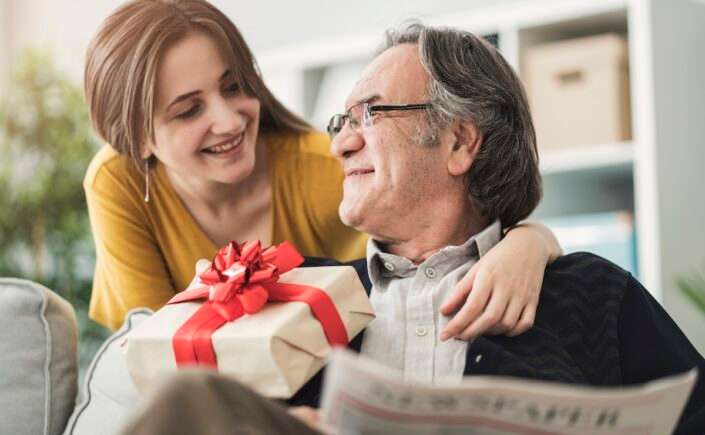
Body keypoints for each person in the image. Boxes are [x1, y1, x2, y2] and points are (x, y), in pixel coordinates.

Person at [119, 23, 705, 435]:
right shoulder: (297, 292)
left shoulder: (591, 295)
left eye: (369, 114)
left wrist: (531, 239)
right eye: (340, 122)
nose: (342, 143)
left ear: (459, 142)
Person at [83, 0, 562, 341]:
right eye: (188, 110)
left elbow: (445, 230)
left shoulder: (325, 166)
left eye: (234, 87)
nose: (228, 121)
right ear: (138, 138)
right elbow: (147, 346)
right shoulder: (118, 183)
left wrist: (528, 240)